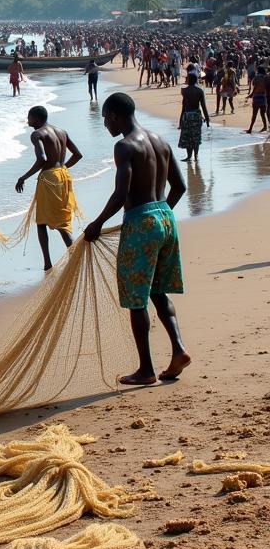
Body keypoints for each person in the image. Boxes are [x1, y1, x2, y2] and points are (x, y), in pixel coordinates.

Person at [83, 93, 190, 386]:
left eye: (105, 118)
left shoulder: (125, 146)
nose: (105, 124)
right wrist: (159, 215)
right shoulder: (161, 142)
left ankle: (146, 370)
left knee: (136, 298)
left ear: (116, 115)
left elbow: (120, 194)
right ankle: (178, 349)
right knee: (158, 291)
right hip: (166, 219)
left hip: (142, 223)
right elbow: (179, 187)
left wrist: (97, 223)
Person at [15, 106, 82, 270]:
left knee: (42, 222)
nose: (27, 120)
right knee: (61, 219)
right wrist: (63, 168)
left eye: (29, 117)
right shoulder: (62, 131)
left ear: (36, 118)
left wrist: (23, 177)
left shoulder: (37, 134)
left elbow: (42, 159)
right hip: (63, 176)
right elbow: (78, 155)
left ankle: (48, 263)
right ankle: (74, 256)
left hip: (49, 178)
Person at [178, 72, 210, 160]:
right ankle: (196, 156)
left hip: (187, 115)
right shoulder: (199, 91)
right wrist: (207, 119)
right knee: (196, 137)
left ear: (188, 80)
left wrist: (180, 121)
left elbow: (183, 106)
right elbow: (203, 106)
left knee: (187, 137)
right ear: (196, 80)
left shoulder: (184, 91)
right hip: (196, 115)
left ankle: (189, 156)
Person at [246, 65, 268, 134]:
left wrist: (251, 95)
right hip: (264, 97)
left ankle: (250, 128)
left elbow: (255, 87)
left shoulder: (256, 77)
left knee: (254, 114)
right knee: (263, 114)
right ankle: (265, 126)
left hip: (257, 97)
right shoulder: (266, 78)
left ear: (258, 71)